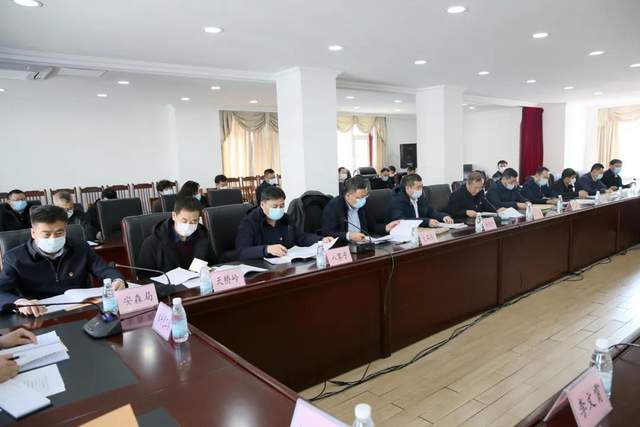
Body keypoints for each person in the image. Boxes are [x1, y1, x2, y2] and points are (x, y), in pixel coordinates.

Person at [0, 205, 125, 317]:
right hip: (39, 316)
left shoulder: (81, 248)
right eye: (46, 234)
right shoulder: (14, 258)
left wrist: (117, 280)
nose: (53, 238)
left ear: (65, 230)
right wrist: (20, 302)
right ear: (33, 233)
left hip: (80, 312)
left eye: (59, 233)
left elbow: (104, 269)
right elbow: (2, 291)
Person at [235, 186, 331, 260]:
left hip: (285, 263)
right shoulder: (249, 222)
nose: (279, 209)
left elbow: (301, 237)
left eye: (282, 205)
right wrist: (267, 249)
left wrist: (320, 240)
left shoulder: (286, 218)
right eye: (274, 206)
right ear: (262, 205)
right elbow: (242, 252)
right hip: (261, 266)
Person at [139, 196, 216, 276]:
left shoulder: (203, 236)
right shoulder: (152, 243)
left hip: (198, 281)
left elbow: (213, 263)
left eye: (194, 221)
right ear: (174, 216)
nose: (188, 225)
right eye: (184, 221)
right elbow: (145, 277)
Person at [322, 176, 398, 243]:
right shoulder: (334, 206)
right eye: (360, 197)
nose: (363, 200)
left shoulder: (364, 204)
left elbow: (370, 227)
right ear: (347, 195)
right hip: (344, 246)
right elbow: (328, 233)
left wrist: (385, 228)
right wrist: (349, 236)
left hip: (362, 243)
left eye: (365, 196)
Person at [387, 173, 453, 226]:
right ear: (407, 188)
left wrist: (443, 217)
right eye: (418, 187)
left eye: (422, 187)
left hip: (421, 230)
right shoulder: (396, 201)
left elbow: (430, 212)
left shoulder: (420, 197)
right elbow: (401, 221)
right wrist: (426, 222)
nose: (420, 190)